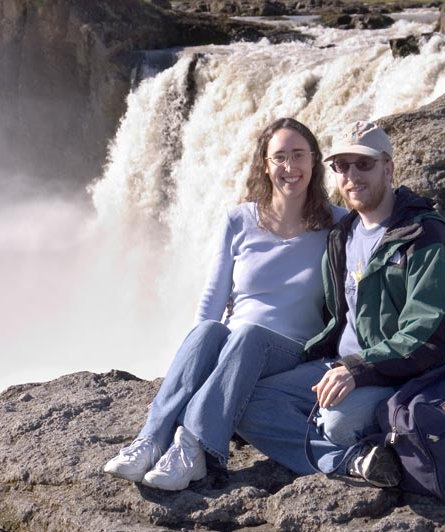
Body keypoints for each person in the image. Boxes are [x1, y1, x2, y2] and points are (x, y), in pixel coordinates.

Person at [103, 118, 347, 491]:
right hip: (234, 353)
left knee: (248, 334)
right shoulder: (239, 219)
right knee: (207, 330)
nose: (289, 167)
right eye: (279, 157)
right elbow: (212, 301)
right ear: (265, 165)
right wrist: (197, 355)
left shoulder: (337, 224)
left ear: (313, 162)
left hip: (292, 353)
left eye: (298, 156)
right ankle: (151, 440)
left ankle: (194, 448)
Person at [236, 120, 445, 487]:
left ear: (388, 167)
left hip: (409, 375)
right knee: (248, 403)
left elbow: (432, 333)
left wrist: (359, 370)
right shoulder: (342, 235)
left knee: (337, 422)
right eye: (342, 166)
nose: (352, 175)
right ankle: (354, 461)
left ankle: (323, 437)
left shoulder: (424, 234)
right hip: (340, 366)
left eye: (364, 164)